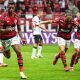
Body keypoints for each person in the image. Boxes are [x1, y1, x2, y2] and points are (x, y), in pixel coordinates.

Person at [0, 1, 27, 79]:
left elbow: (19, 29)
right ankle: (3, 51)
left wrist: (22, 38)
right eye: (10, 7)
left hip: (13, 37)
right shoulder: (3, 16)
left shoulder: (16, 16)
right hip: (4, 38)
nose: (11, 9)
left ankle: (22, 73)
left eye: (12, 7)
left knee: (18, 52)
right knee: (8, 56)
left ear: (14, 7)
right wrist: (7, 30)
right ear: (7, 7)